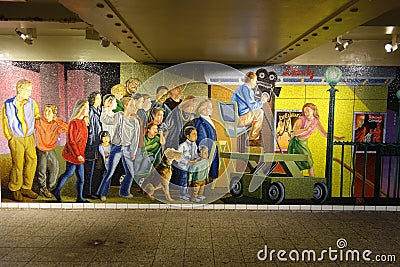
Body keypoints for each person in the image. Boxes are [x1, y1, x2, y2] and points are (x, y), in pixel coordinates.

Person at [2, 79, 41, 201]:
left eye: (31, 90)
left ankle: (26, 187)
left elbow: (37, 116)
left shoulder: (32, 103)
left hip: (29, 137)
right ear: (20, 89)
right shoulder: (7, 104)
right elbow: (4, 122)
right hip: (16, 138)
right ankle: (15, 188)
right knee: (18, 164)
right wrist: (10, 137)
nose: (30, 93)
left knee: (32, 160)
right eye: (28, 90)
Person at [97, 96, 140, 201]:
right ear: (126, 106)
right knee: (110, 171)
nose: (134, 107)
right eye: (131, 105)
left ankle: (124, 192)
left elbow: (136, 138)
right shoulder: (118, 116)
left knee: (131, 173)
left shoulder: (135, 121)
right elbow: (104, 119)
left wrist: (133, 151)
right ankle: (102, 193)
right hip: (116, 147)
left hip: (127, 149)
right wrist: (106, 108)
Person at [288, 103, 344, 177]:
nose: (306, 113)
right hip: (296, 143)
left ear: (313, 110)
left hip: (304, 143)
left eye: (308, 111)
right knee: (304, 162)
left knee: (309, 162)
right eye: (305, 112)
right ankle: (308, 179)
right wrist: (307, 129)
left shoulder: (315, 121)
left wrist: (336, 138)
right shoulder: (301, 120)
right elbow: (295, 133)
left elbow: (324, 134)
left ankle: (312, 180)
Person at [51, 100, 90, 203]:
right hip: (72, 154)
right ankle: (56, 190)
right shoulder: (73, 123)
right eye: (86, 108)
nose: (88, 110)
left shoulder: (83, 122)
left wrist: (81, 154)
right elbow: (71, 141)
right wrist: (77, 155)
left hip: (80, 155)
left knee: (81, 178)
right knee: (69, 173)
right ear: (81, 109)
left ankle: (80, 197)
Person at [34, 104, 68, 198]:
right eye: (45, 110)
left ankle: (51, 187)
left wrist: (57, 120)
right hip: (40, 149)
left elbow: (67, 128)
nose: (46, 113)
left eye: (49, 111)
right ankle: (43, 188)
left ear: (53, 113)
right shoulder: (39, 121)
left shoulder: (56, 123)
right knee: (42, 169)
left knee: (55, 167)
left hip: (51, 149)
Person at [230, 71, 269, 146]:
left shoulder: (240, 88)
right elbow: (252, 106)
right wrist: (262, 101)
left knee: (256, 112)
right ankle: (253, 138)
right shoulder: (247, 89)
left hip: (234, 119)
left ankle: (252, 137)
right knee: (260, 112)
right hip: (240, 120)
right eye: (255, 81)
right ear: (251, 80)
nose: (256, 83)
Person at [193, 99, 218, 184]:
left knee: (211, 170)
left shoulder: (207, 119)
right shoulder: (201, 123)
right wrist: (204, 152)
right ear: (204, 110)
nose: (212, 110)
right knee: (204, 173)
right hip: (206, 152)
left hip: (212, 149)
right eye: (210, 108)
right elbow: (201, 139)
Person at [84, 91, 102, 199]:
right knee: (89, 170)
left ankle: (93, 191)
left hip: (96, 144)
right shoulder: (91, 110)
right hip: (91, 145)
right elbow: (90, 129)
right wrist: (90, 144)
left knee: (95, 169)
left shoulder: (98, 111)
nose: (100, 101)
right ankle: (87, 192)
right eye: (98, 99)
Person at [175, 126, 200, 201]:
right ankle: (182, 195)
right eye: (194, 134)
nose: (196, 136)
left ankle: (186, 193)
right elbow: (178, 157)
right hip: (183, 167)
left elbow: (195, 154)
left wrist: (198, 158)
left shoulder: (194, 145)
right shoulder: (183, 146)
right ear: (187, 136)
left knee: (188, 180)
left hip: (190, 167)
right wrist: (188, 162)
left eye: (196, 134)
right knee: (184, 181)